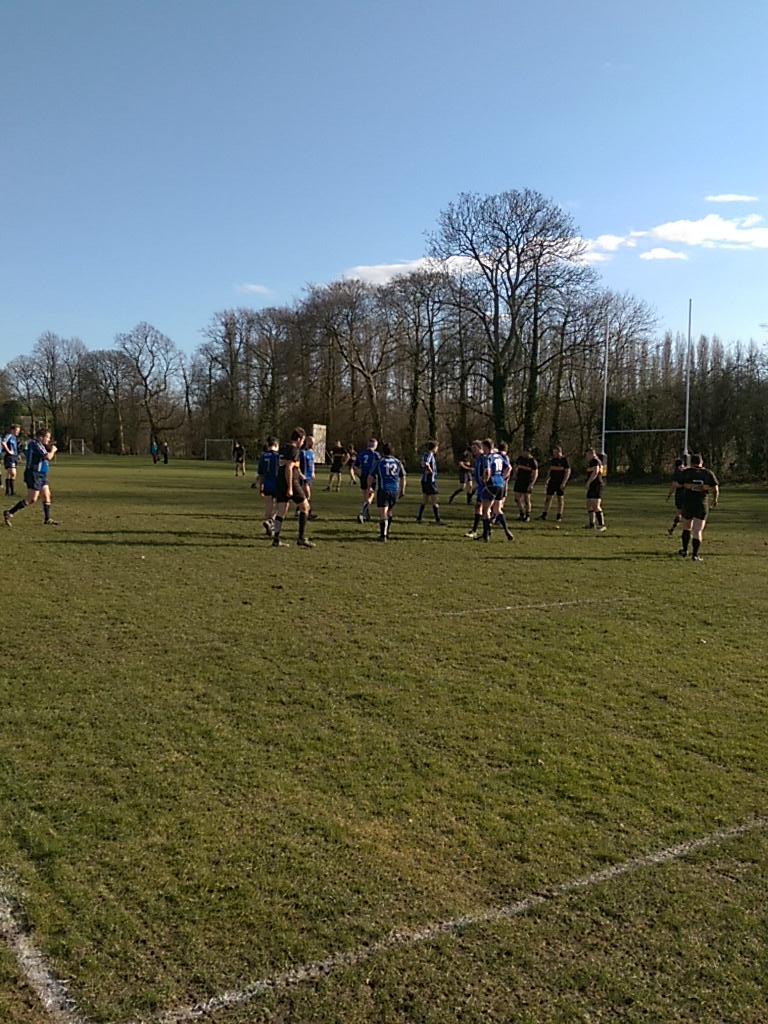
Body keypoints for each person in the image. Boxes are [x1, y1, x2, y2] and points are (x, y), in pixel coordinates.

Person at [3, 428, 59, 527]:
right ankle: (9, 512)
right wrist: (53, 450)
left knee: (46, 495)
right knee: (32, 498)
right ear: (41, 437)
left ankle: (47, 519)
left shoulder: (39, 444)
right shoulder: (36, 444)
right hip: (34, 474)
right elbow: (48, 457)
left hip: (41, 474)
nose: (49, 439)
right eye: (47, 437)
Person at [272, 427, 315, 548]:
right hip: (290, 482)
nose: (303, 443)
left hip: (280, 482)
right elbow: (289, 468)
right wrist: (290, 487)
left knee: (282, 510)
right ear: (299, 439)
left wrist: (300, 474)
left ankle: (276, 539)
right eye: (303, 440)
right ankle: (301, 538)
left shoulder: (283, 449)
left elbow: (288, 465)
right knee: (305, 507)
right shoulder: (294, 450)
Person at [676, 454, 719, 562]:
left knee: (686, 527)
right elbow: (715, 489)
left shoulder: (686, 472)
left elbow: (678, 484)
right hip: (701, 504)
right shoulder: (708, 473)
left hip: (688, 503)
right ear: (701, 462)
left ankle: (685, 550)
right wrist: (714, 500)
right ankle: (695, 555)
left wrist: (689, 486)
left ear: (691, 462)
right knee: (697, 530)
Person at [478, 438, 514, 542]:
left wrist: (485, 480)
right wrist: (503, 477)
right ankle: (507, 531)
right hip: (501, 485)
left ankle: (486, 535)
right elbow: (509, 468)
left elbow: (487, 471)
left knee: (485, 510)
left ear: (486, 447)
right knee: (497, 510)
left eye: (483, 447)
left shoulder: (488, 457)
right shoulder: (499, 456)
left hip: (491, 485)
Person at [370, 442, 406, 541]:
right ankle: (387, 531)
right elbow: (403, 476)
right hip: (395, 490)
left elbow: (371, 476)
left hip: (383, 489)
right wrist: (402, 489)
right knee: (389, 511)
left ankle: (383, 535)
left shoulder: (379, 462)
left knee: (383, 512)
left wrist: (370, 487)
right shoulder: (398, 462)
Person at [539, 446, 571, 522]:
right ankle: (544, 514)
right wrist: (547, 479)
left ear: (560, 452)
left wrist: (564, 482)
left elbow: (567, 472)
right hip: (552, 482)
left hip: (560, 482)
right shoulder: (553, 460)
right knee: (548, 498)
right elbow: (550, 471)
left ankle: (559, 516)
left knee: (560, 499)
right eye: (554, 452)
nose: (555, 454)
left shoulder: (564, 460)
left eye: (556, 452)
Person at [256, 437, 280, 535]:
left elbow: (261, 474)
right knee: (282, 507)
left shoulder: (263, 456)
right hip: (277, 483)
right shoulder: (278, 456)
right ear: (276, 445)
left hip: (267, 483)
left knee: (268, 506)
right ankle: (271, 521)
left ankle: (268, 525)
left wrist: (261, 486)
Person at [416, 440, 443, 525]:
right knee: (435, 499)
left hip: (425, 480)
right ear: (434, 448)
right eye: (437, 447)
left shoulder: (425, 454)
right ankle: (437, 519)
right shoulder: (430, 454)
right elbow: (426, 464)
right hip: (430, 480)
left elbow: (422, 464)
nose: (437, 449)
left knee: (425, 499)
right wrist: (431, 471)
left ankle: (419, 517)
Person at [464, 440, 486, 539]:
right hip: (481, 487)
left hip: (485, 487)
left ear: (480, 448)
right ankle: (478, 530)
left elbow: (486, 472)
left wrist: (483, 482)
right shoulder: (477, 459)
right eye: (472, 448)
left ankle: (480, 531)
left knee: (485, 508)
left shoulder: (484, 458)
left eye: (475, 448)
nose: (473, 450)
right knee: (479, 507)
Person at [355, 438, 380, 523]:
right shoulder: (376, 455)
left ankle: (366, 514)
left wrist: (360, 475)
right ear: (375, 446)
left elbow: (355, 467)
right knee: (371, 495)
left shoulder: (361, 454)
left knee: (365, 496)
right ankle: (362, 512)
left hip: (363, 476)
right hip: (372, 477)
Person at [512, 447, 539, 521]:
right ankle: (522, 512)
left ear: (529, 453)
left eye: (526, 452)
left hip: (527, 481)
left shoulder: (532, 461)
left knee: (527, 499)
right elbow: (515, 466)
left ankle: (527, 515)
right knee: (517, 498)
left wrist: (532, 484)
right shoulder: (520, 459)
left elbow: (535, 474)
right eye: (523, 452)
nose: (524, 453)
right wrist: (515, 474)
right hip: (519, 480)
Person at [585, 448, 606, 531]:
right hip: (592, 485)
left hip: (596, 485)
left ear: (591, 454)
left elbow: (596, 472)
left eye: (587, 455)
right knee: (589, 504)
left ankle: (602, 525)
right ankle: (591, 524)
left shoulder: (595, 461)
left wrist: (589, 482)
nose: (586, 457)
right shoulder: (592, 462)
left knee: (596, 505)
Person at [299, 435, 318, 519]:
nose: (313, 444)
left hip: (310, 476)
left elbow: (312, 463)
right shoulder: (302, 452)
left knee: (305, 495)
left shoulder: (312, 452)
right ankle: (309, 512)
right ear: (307, 442)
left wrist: (313, 472)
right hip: (304, 476)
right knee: (307, 494)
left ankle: (300, 510)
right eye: (312, 442)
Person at [666, 458, 686, 535]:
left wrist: (669, 495)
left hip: (680, 495)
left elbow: (674, 485)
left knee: (679, 512)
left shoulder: (677, 473)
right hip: (688, 494)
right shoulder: (687, 472)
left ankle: (673, 529)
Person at [2, 424, 21, 497]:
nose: (18, 432)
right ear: (12, 430)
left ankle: (9, 491)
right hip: (10, 457)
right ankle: (10, 491)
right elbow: (3, 443)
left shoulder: (15, 438)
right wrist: (9, 451)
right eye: (16, 430)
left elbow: (15, 447)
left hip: (14, 457)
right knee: (13, 473)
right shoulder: (9, 436)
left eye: (18, 431)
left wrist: (18, 455)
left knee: (10, 474)